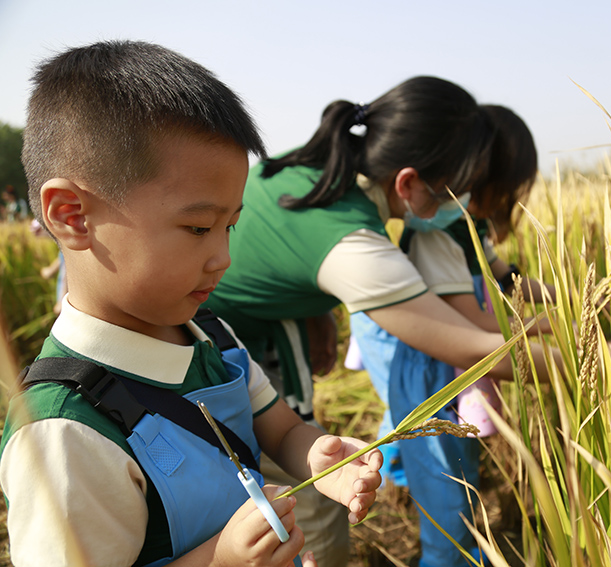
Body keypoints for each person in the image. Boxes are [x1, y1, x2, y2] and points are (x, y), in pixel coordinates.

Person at [0, 40, 382, 567]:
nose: (222, 257)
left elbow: (281, 429)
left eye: (230, 226)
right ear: (71, 215)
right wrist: (222, 560)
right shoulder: (65, 434)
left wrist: (321, 458)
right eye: (199, 227)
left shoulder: (211, 334)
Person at [203, 81, 560, 567]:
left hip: (239, 329)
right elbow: (476, 351)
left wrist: (316, 313)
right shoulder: (354, 244)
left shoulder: (322, 165)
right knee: (303, 515)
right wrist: (590, 363)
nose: (466, 202)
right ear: (409, 182)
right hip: (214, 347)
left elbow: (282, 251)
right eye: (458, 188)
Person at [350, 104, 557, 567]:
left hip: (444, 350)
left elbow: (505, 277)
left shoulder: (467, 225)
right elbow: (472, 325)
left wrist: (566, 292)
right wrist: (546, 331)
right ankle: (447, 552)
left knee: (422, 439)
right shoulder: (441, 231)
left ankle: (399, 473)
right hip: (428, 353)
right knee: (446, 472)